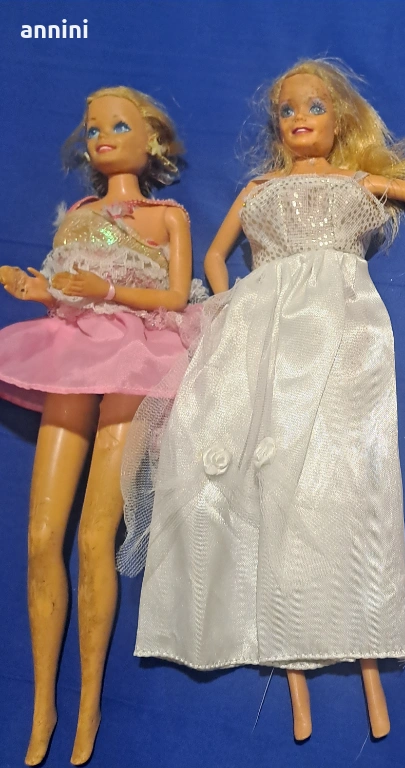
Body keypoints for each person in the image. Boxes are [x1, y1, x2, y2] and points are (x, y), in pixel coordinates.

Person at [120, 59, 405, 741]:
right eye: (288, 110)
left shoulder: (357, 183)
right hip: (265, 333)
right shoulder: (260, 189)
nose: (301, 120)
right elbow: (214, 258)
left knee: (350, 480)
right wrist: (227, 310)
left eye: (315, 108)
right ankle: (294, 681)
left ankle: (369, 667)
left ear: (340, 119)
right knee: (266, 479)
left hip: (344, 335)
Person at [0, 86, 200, 765]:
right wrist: (38, 289)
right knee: (40, 536)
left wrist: (108, 291)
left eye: (118, 125)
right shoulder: (79, 216)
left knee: (95, 536)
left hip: (136, 355)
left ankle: (87, 706)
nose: (103, 137)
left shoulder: (167, 216)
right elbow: (62, 293)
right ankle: (43, 704)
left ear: (153, 142)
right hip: (72, 351)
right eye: (93, 129)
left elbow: (175, 296)